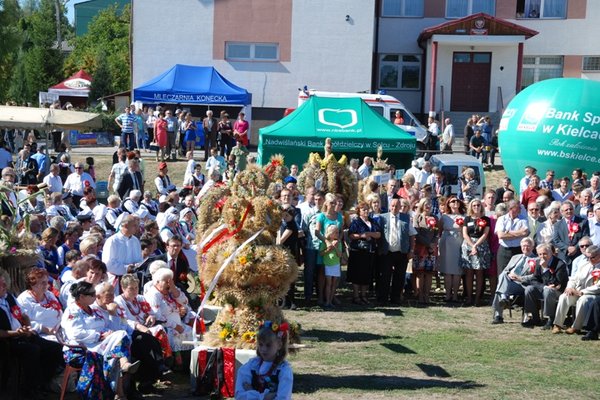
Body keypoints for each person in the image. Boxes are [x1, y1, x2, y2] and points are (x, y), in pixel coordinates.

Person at [61, 280, 140, 399]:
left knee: (120, 336)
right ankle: (120, 391)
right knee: (115, 355)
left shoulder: (93, 310)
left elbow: (111, 327)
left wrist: (113, 315)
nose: (95, 296)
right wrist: (99, 335)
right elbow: (75, 333)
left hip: (98, 344)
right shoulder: (72, 311)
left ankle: (119, 392)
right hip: (80, 347)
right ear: (82, 297)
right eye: (92, 295)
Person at [0, 270, 63, 398]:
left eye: (4, 283)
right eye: (1, 285)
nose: (5, 286)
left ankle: (42, 382)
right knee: (33, 350)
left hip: (22, 334)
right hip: (7, 340)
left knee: (55, 348)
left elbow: (23, 315)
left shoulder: (9, 297)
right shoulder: (24, 297)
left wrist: (27, 327)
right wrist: (15, 333)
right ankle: (28, 390)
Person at [144, 268, 194, 369]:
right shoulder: (154, 294)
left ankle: (188, 364)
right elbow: (158, 317)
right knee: (176, 335)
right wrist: (175, 326)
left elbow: (184, 301)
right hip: (166, 326)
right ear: (157, 282)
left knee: (192, 332)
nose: (169, 283)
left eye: (171, 281)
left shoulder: (170, 291)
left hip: (178, 324)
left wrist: (173, 287)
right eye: (166, 281)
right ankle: (176, 364)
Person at [234, 321, 293, 400]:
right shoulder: (252, 366)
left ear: (279, 344)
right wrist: (264, 397)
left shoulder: (283, 370)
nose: (263, 349)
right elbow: (239, 395)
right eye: (261, 344)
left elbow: (283, 397)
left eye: (268, 345)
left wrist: (251, 391)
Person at [553, 244, 600, 334]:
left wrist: (581, 292)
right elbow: (573, 279)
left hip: (593, 294)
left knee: (583, 300)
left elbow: (598, 287)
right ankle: (557, 324)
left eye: (592, 257)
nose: (589, 260)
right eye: (587, 257)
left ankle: (576, 327)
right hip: (577, 291)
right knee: (564, 297)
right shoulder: (584, 265)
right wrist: (569, 287)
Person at [377, 196, 416, 305]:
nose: (394, 208)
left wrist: (411, 250)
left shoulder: (406, 218)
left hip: (402, 252)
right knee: (385, 276)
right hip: (387, 252)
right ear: (389, 207)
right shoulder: (382, 218)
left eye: (397, 206)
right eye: (393, 206)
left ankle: (396, 298)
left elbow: (412, 235)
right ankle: (382, 299)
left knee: (399, 277)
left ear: (400, 207)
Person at [490, 237, 537, 324]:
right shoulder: (515, 257)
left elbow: (534, 276)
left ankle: (500, 310)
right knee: (503, 275)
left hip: (523, 285)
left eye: (528, 246)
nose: (525, 248)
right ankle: (500, 309)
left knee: (500, 289)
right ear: (520, 246)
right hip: (509, 282)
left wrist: (519, 278)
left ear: (532, 247)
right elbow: (505, 270)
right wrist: (509, 275)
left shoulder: (536, 259)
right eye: (523, 246)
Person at [520, 243, 568, 328]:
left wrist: (546, 269)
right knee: (529, 289)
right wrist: (543, 286)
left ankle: (551, 319)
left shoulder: (560, 264)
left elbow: (556, 282)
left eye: (545, 254)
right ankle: (535, 318)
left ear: (551, 253)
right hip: (545, 288)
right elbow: (534, 280)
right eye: (540, 254)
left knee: (548, 291)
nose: (542, 256)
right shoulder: (538, 262)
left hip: (558, 291)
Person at [460, 199, 491, 306]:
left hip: (481, 246)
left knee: (479, 273)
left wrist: (476, 245)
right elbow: (465, 234)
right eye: (474, 205)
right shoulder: (467, 219)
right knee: (469, 273)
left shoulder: (486, 219)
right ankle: (469, 297)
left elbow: (485, 234)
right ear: (471, 207)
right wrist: (472, 246)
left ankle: (477, 298)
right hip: (468, 245)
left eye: (478, 205)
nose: (476, 207)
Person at [102, 214, 143, 291]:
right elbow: (108, 264)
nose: (137, 228)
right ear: (125, 225)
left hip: (133, 280)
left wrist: (137, 265)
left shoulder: (135, 240)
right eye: (134, 225)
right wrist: (126, 268)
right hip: (117, 281)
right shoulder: (112, 241)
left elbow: (139, 259)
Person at [412, 198, 439, 304]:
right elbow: (416, 234)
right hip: (420, 249)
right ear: (422, 205)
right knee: (420, 273)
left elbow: (437, 233)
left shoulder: (435, 217)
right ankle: (420, 295)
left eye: (430, 204)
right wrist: (428, 244)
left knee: (429, 273)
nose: (428, 206)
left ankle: (427, 295)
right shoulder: (417, 217)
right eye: (426, 204)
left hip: (431, 250)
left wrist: (433, 244)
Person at [438, 197, 465, 303]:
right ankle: (448, 294)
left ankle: (455, 295)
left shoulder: (464, 216)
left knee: (457, 270)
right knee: (448, 270)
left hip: (459, 241)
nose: (455, 203)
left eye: (457, 201)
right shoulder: (444, 217)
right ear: (448, 204)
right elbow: (439, 231)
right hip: (447, 242)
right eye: (452, 201)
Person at [553, 200, 589, 273]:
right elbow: (556, 240)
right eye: (566, 210)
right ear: (562, 212)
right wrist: (567, 248)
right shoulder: (557, 225)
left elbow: (585, 237)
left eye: (571, 209)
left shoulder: (583, 222)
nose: (569, 211)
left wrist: (575, 248)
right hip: (564, 256)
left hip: (579, 254)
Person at [495, 200, 530, 274]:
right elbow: (501, 235)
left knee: (517, 274)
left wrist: (508, 232)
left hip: (518, 250)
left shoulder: (523, 219)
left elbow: (525, 233)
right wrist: (519, 233)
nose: (520, 209)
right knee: (502, 274)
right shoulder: (501, 219)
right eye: (518, 207)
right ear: (511, 208)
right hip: (504, 251)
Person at [319, 224, 342, 309]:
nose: (337, 234)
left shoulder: (338, 243)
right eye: (335, 232)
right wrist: (329, 248)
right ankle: (327, 301)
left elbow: (340, 255)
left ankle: (331, 300)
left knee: (334, 283)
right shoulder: (325, 242)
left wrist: (335, 247)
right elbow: (321, 253)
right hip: (328, 264)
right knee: (328, 283)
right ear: (330, 233)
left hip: (336, 264)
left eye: (337, 232)